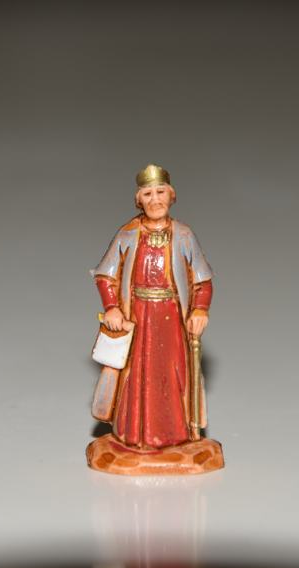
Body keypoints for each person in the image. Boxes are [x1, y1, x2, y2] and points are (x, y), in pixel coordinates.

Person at [91, 164, 213, 450]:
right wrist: (112, 307)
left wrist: (199, 309)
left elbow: (203, 281)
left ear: (171, 195)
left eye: (160, 192)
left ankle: (174, 435)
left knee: (172, 372)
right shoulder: (128, 234)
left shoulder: (184, 235)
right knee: (135, 374)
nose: (155, 199)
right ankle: (133, 435)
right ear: (139, 199)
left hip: (172, 318)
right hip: (137, 316)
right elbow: (106, 275)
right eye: (148, 194)